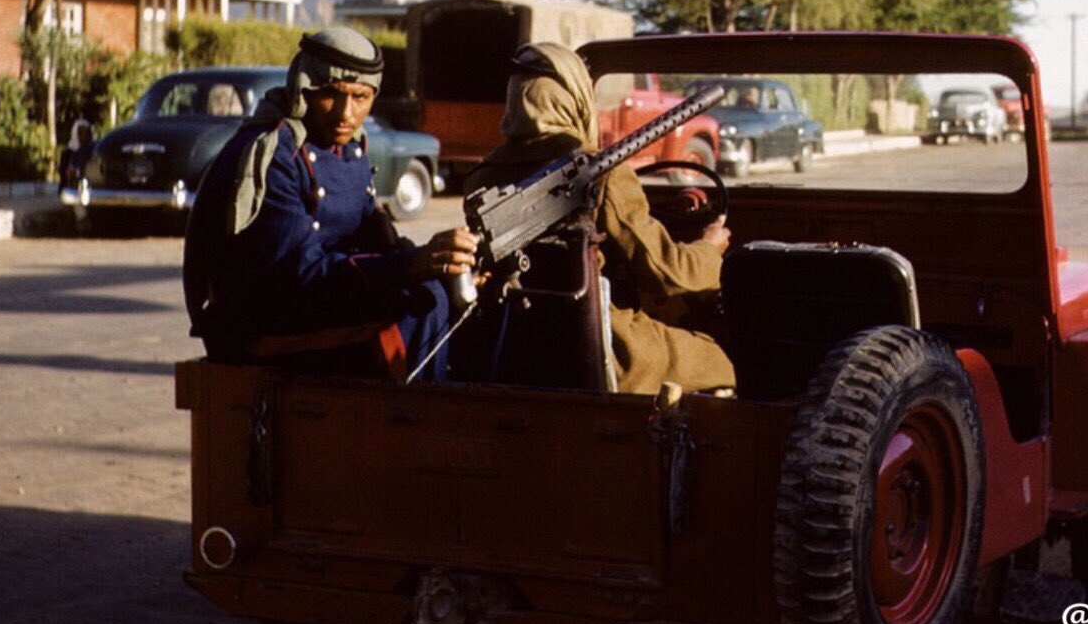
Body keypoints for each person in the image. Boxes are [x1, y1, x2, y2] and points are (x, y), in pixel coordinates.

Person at [183, 27, 475, 380]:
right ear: (303, 89)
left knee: (436, 294)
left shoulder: (351, 148)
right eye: (332, 95)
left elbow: (376, 239)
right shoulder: (274, 153)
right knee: (421, 308)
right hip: (262, 326)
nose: (346, 113)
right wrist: (410, 264)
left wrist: (442, 261)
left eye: (361, 97)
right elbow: (298, 275)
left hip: (319, 304)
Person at [467, 42, 735, 395]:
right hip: (602, 348)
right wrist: (710, 249)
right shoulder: (599, 174)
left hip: (514, 348)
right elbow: (666, 273)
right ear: (574, 98)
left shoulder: (482, 179)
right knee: (723, 362)